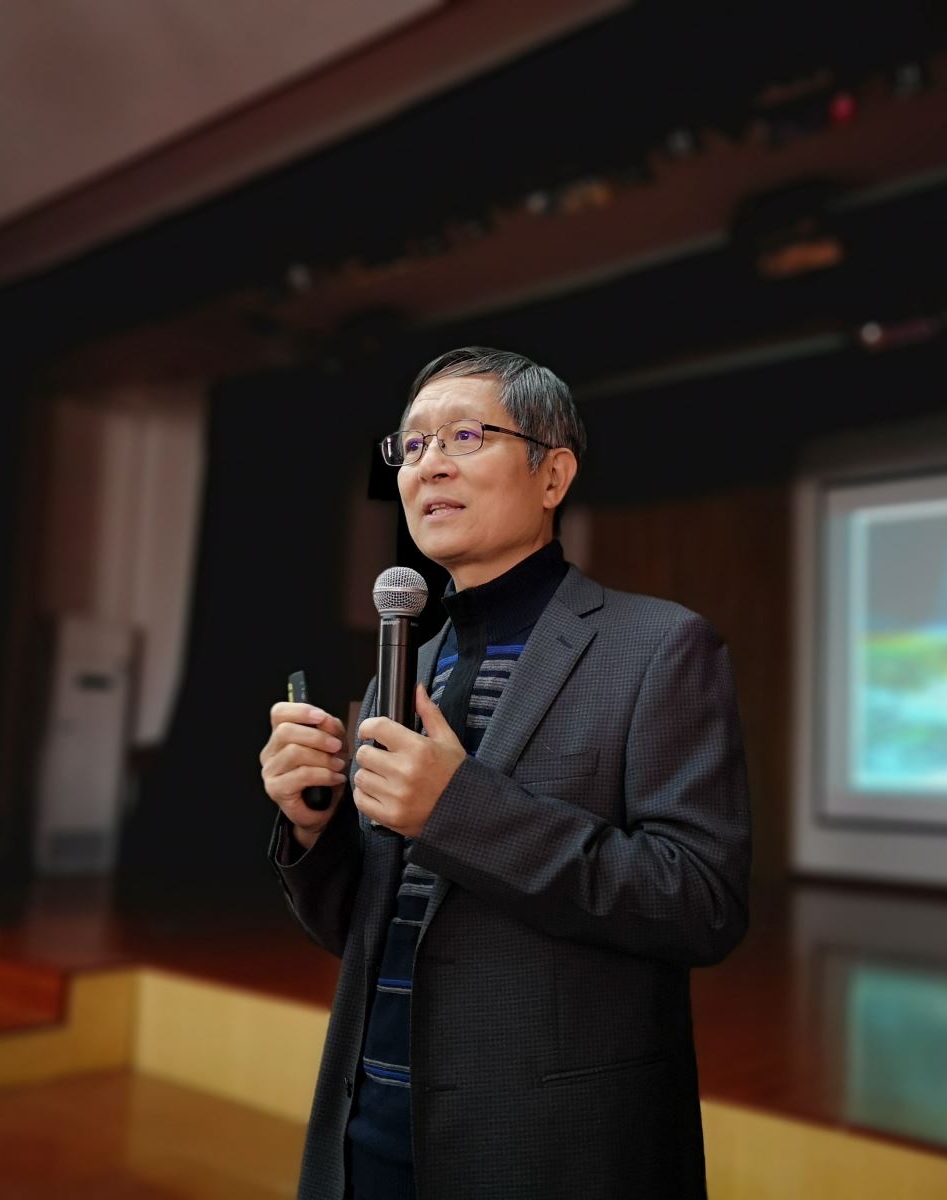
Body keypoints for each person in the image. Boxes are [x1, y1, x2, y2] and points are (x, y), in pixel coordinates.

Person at [258, 347, 751, 1199]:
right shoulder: (407, 665)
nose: (430, 465)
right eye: (412, 446)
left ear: (553, 474)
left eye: (464, 436)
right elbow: (371, 929)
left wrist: (456, 809)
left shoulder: (659, 647)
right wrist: (314, 825)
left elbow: (701, 904)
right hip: (368, 1123)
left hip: (544, 1141)